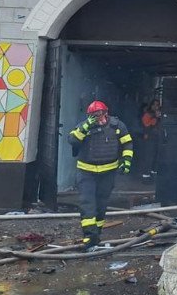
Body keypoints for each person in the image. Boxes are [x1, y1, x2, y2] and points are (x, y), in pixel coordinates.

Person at [67, 100, 133, 249]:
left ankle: (97, 234)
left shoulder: (117, 126)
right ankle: (89, 238)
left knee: (101, 205)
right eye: (94, 115)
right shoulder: (84, 126)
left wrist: (127, 161)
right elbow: (72, 140)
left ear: (106, 113)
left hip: (108, 172)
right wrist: (85, 127)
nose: (98, 118)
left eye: (100, 114)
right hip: (86, 172)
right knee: (88, 204)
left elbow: (127, 143)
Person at [138, 98, 161, 180]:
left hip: (157, 137)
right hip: (149, 137)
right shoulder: (147, 114)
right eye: (154, 104)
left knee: (156, 155)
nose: (156, 106)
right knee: (148, 155)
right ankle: (145, 174)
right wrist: (156, 117)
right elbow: (147, 125)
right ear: (151, 105)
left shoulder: (159, 114)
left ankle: (153, 171)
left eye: (157, 105)